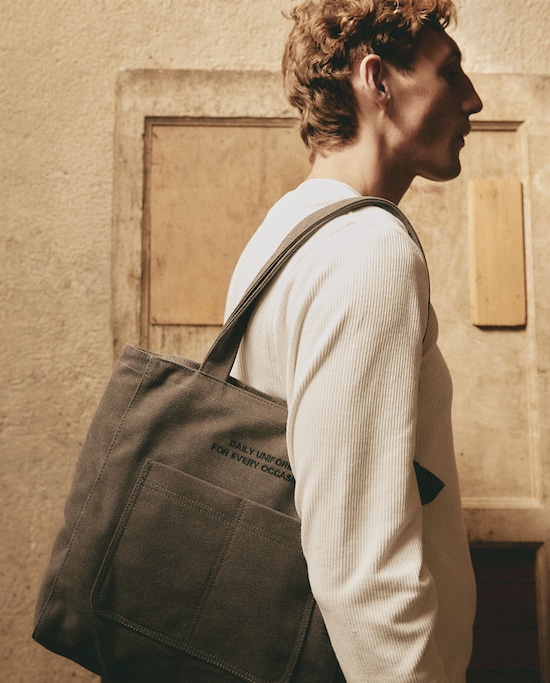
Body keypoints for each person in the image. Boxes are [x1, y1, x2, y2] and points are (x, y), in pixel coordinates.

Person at [225, 1, 483, 680]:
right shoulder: (368, 248)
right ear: (378, 80)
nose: (473, 100)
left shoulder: (284, 230)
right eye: (450, 72)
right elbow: (361, 568)